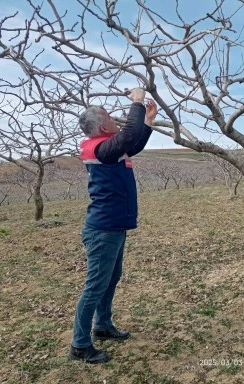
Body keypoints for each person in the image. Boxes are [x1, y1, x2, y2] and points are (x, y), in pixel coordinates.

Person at [69, 88, 158, 364]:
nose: (113, 118)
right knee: (95, 286)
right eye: (108, 116)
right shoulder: (100, 148)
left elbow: (134, 142)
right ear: (100, 125)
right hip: (103, 230)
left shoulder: (108, 147)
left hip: (113, 227)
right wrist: (137, 103)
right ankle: (80, 345)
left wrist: (148, 121)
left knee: (110, 279)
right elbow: (129, 136)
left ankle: (103, 326)